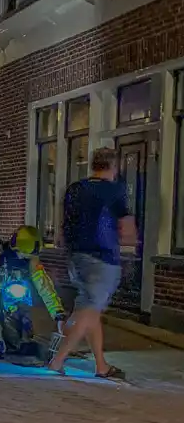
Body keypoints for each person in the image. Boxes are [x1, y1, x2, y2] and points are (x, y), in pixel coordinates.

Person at [47, 147, 135, 379]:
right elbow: (126, 228)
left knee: (90, 308)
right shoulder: (115, 190)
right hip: (102, 258)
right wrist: (131, 244)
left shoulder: (75, 189)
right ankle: (57, 361)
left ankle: (101, 366)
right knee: (89, 310)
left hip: (76, 257)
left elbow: (64, 225)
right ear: (114, 167)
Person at [0, 226, 66, 359]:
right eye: (23, 255)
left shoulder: (31, 261)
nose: (24, 259)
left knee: (21, 346)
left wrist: (58, 313)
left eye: (29, 256)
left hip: (14, 305)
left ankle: (15, 340)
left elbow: (45, 286)